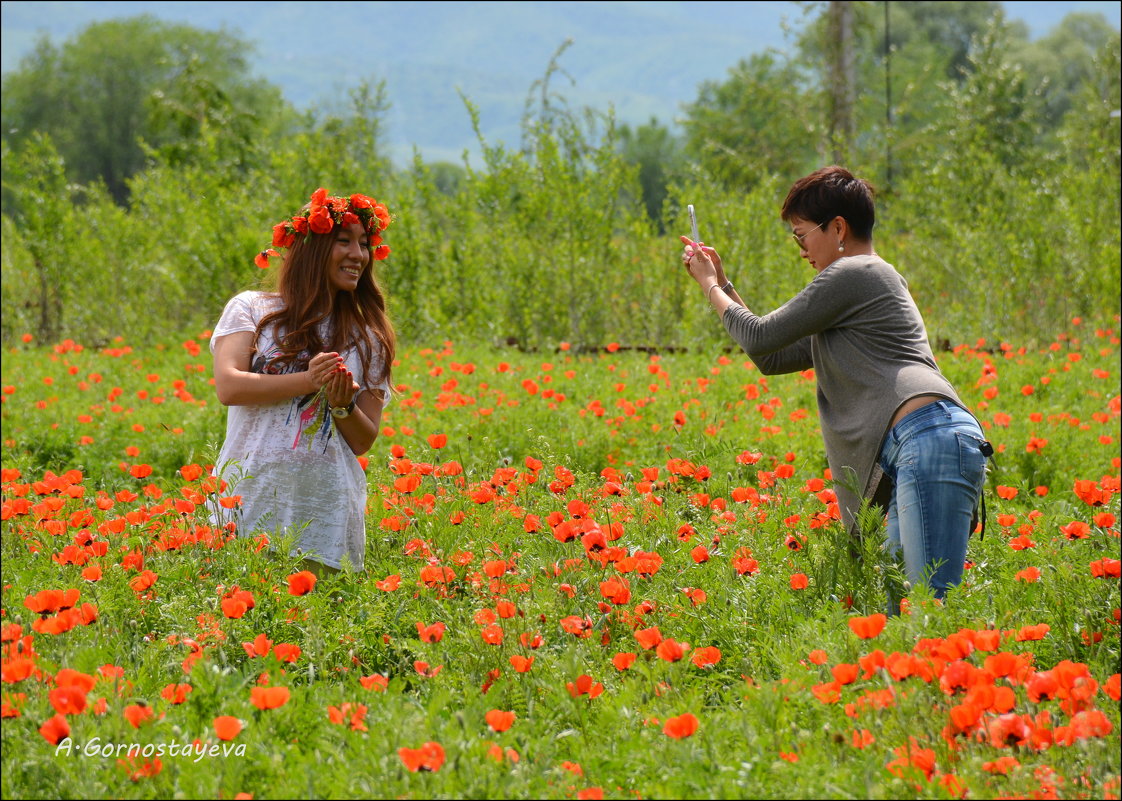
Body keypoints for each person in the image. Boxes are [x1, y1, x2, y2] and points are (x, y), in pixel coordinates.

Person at [680, 166, 989, 610]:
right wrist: (724, 284)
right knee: (903, 611)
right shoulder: (856, 291)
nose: (801, 249)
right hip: (921, 444)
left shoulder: (857, 273)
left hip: (928, 438)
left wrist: (710, 286)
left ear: (838, 227)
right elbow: (770, 356)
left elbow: (761, 335)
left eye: (802, 235)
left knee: (927, 612)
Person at [210, 187, 395, 573]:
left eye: (363, 244)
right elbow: (229, 386)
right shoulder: (251, 308)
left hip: (324, 510)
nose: (358, 255)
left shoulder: (368, 339)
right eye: (343, 241)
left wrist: (342, 404)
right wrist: (309, 380)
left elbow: (363, 441)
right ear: (312, 251)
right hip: (248, 500)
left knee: (318, 626)